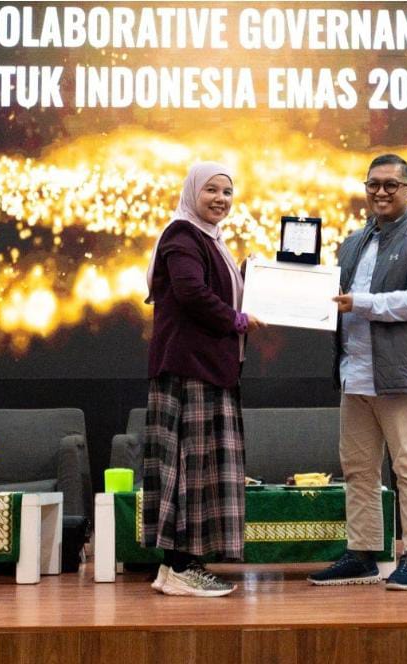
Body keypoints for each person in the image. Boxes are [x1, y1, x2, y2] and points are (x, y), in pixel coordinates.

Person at [308, 154, 407, 590]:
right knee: (358, 470)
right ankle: (362, 554)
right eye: (373, 184)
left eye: (391, 184)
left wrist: (361, 304)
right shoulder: (353, 242)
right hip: (355, 375)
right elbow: (332, 296)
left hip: (402, 378)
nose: (381, 192)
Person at [142, 162, 264, 597]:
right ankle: (179, 566)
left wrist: (256, 277)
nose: (220, 199)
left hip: (208, 369)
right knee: (189, 469)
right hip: (190, 372)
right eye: (211, 189)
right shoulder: (183, 235)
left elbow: (212, 287)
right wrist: (236, 320)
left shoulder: (209, 239)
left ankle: (180, 565)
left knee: (198, 469)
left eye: (227, 192)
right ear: (192, 192)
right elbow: (191, 292)